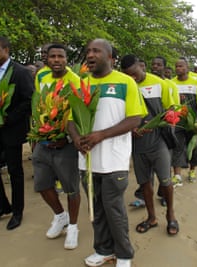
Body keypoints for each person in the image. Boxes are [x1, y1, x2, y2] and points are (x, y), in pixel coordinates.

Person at [67, 39, 147, 267]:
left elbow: (135, 119)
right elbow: (71, 119)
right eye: (88, 51)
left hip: (114, 160)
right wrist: (75, 139)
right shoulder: (82, 83)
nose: (90, 55)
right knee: (96, 209)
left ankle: (124, 254)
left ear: (110, 58)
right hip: (87, 161)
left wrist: (100, 135)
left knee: (113, 208)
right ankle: (103, 250)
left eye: (96, 51)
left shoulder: (125, 82)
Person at [120, 54, 179, 236]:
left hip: (158, 142)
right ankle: (151, 217)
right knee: (144, 182)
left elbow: (172, 110)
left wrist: (157, 124)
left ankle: (171, 216)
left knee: (165, 180)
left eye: (134, 73)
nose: (133, 78)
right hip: (137, 145)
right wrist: (131, 129)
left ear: (140, 65)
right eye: (128, 75)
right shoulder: (125, 86)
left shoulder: (160, 84)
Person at [0, 36, 34, 230]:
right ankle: (2, 206)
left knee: (14, 171)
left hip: (11, 129)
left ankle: (17, 211)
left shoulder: (20, 72)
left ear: (6, 50)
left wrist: (8, 119)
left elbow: (29, 100)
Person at [32, 43, 81, 249]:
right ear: (47, 59)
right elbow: (38, 104)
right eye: (52, 56)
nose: (56, 60)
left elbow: (79, 113)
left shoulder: (75, 80)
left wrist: (68, 137)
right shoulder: (41, 76)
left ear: (66, 59)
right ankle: (60, 216)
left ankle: (73, 226)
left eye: (60, 56)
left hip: (65, 142)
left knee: (71, 189)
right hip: (43, 140)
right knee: (42, 185)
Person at [171, 57, 197, 185]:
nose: (178, 68)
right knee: (177, 147)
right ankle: (177, 175)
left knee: (193, 147)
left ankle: (192, 170)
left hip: (192, 122)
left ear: (187, 68)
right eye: (177, 66)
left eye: (181, 66)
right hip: (177, 122)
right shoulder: (171, 83)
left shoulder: (195, 83)